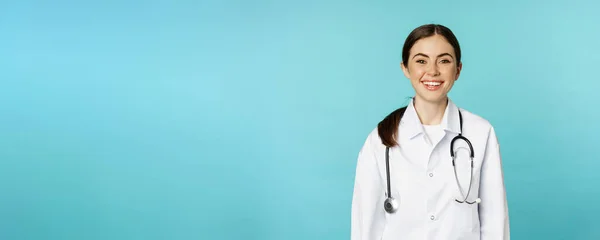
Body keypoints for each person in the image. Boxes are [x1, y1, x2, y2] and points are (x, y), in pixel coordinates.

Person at [350, 24, 510, 240]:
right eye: (421, 61)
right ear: (405, 68)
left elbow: (494, 222)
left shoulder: (481, 133)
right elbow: (365, 226)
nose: (433, 71)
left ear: (458, 70)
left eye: (444, 60)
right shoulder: (380, 140)